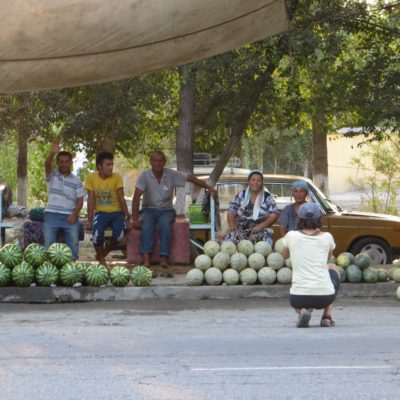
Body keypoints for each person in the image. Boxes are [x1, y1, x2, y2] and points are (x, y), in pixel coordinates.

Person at [131, 150, 218, 278]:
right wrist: (135, 218)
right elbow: (136, 196)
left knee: (165, 224)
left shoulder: (171, 174)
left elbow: (190, 178)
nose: (157, 163)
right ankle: (146, 257)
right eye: (154, 160)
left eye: (160, 160)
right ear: (150, 162)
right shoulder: (145, 176)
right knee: (147, 224)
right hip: (148, 209)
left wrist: (208, 187)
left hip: (166, 210)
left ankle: (164, 257)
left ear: (164, 162)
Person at [281, 202, 340, 328]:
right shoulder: (327, 237)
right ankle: (326, 317)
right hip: (325, 297)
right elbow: (328, 258)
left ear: (298, 219)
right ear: (320, 219)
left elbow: (284, 256)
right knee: (333, 268)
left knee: (300, 293)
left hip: (298, 298)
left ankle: (302, 311)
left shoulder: (291, 236)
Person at [85, 151, 131, 265]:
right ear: (99, 166)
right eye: (108, 165)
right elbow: (91, 200)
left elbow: (121, 198)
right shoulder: (91, 178)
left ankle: (103, 253)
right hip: (100, 213)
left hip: (117, 213)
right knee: (96, 235)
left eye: (112, 164)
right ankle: (102, 259)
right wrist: (90, 220)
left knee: (120, 234)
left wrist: (127, 217)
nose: (111, 167)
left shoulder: (117, 177)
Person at [43, 140, 85, 260]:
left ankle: (71, 269)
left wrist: (74, 214)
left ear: (71, 163)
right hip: (52, 214)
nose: (64, 164)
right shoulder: (52, 175)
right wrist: (52, 153)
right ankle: (49, 268)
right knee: (48, 244)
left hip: (69, 216)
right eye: (61, 162)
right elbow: (46, 164)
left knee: (73, 244)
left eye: (67, 162)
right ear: (57, 163)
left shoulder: (76, 180)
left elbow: (80, 201)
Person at [225, 170, 278, 246]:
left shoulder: (267, 197)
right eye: (253, 180)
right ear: (248, 182)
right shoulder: (242, 194)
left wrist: (260, 226)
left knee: (266, 239)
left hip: (260, 229)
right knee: (229, 242)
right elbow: (231, 210)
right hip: (241, 229)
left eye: (258, 180)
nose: (255, 183)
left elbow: (274, 214)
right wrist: (231, 225)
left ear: (262, 183)